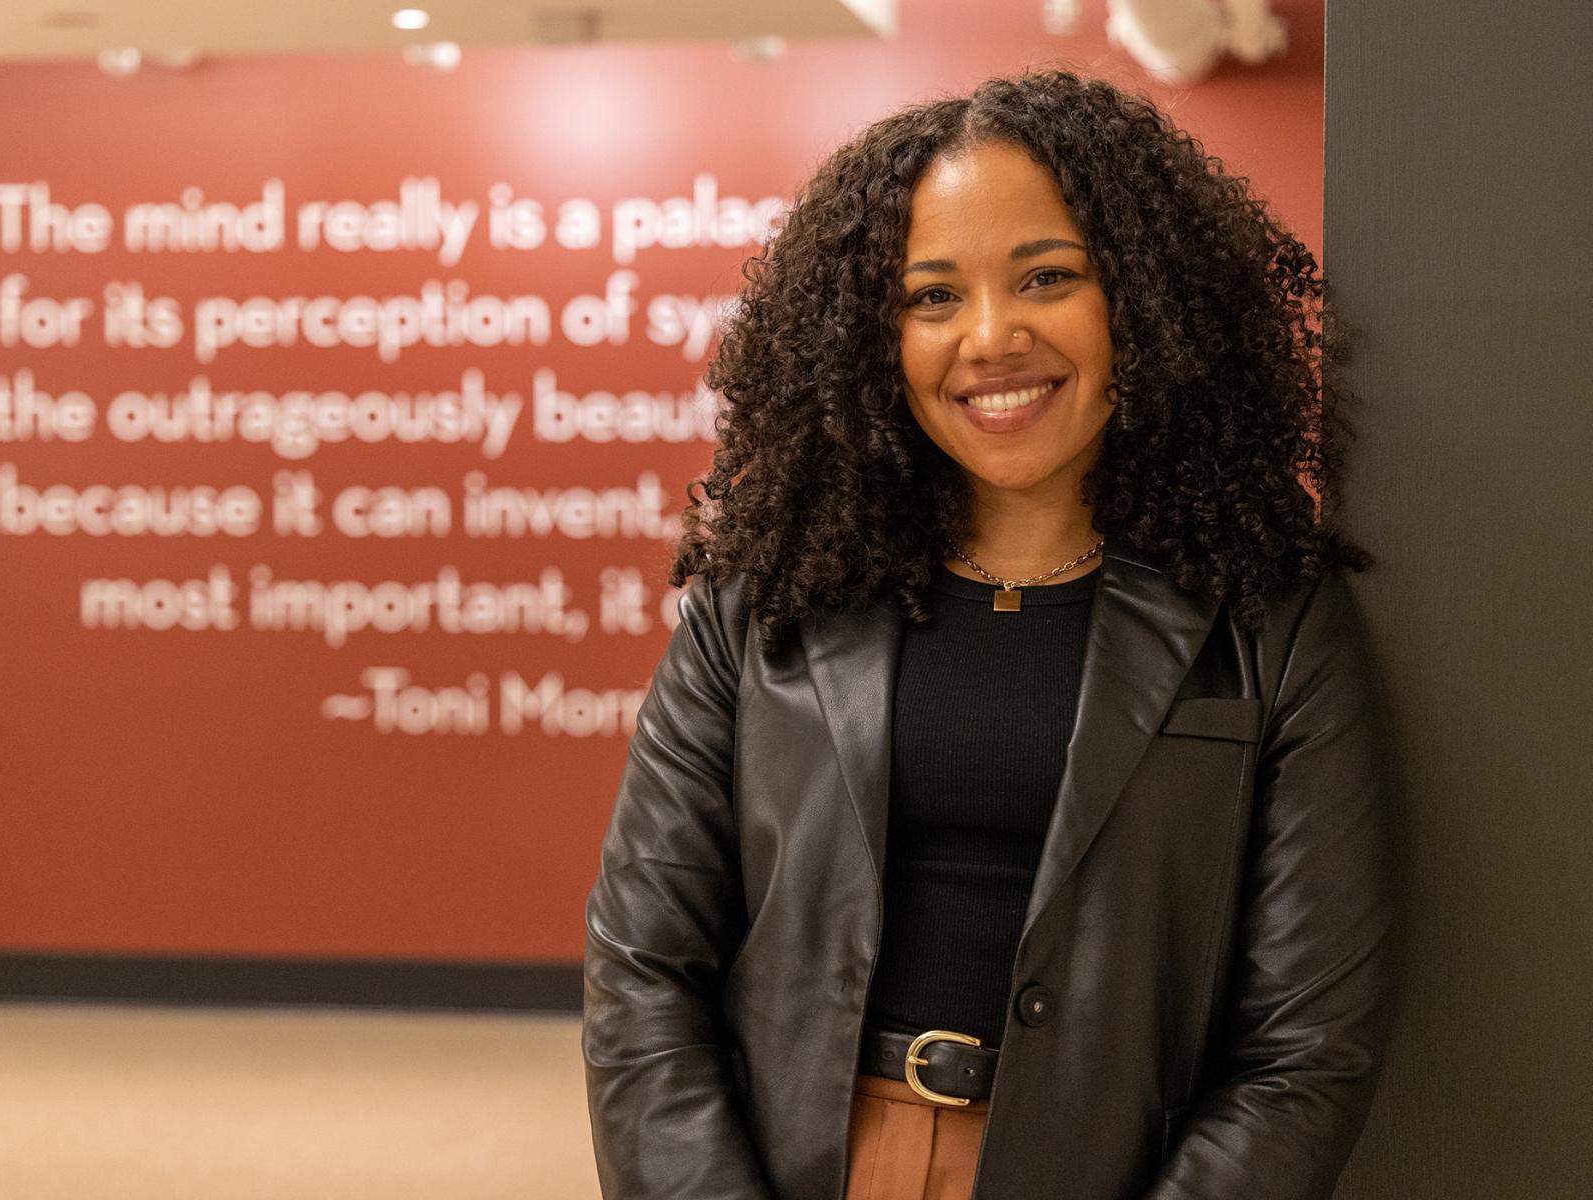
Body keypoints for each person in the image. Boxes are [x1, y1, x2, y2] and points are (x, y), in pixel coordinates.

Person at [581, 68, 1399, 1200]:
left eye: (1048, 278)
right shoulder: (758, 603)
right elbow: (641, 979)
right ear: (872, 341)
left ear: (1147, 304)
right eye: (930, 297)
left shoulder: (1272, 614)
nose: (990, 336)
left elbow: (1307, 1048)